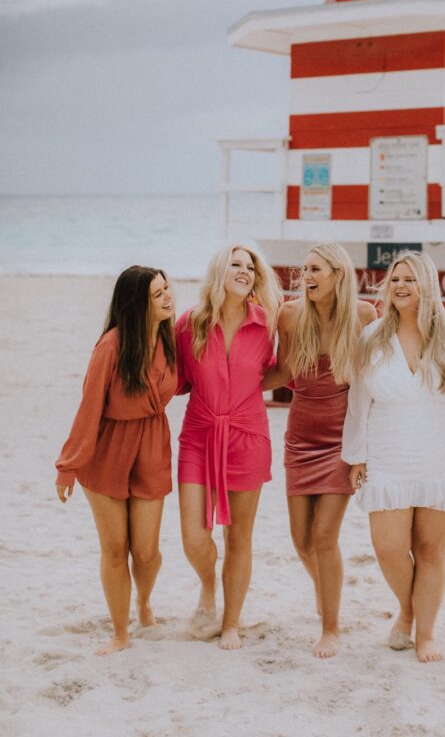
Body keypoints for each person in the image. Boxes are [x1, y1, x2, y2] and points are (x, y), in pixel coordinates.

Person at [342, 251, 445, 664]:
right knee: (388, 548)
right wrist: (357, 453)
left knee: (431, 549)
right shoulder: (373, 336)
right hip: (387, 449)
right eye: (395, 278)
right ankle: (408, 608)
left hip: (441, 449)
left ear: (428, 285)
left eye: (411, 279)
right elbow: (359, 399)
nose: (400, 285)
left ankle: (425, 631)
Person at [55, 265, 177, 655]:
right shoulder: (111, 345)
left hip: (152, 447)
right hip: (107, 451)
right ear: (137, 303)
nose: (169, 297)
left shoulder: (169, 339)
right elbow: (88, 408)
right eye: (158, 294)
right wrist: (69, 466)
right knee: (114, 548)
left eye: (168, 289)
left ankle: (143, 600)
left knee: (146, 551)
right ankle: (120, 633)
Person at [271, 242, 376, 658]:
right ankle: (325, 589)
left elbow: (380, 372)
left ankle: (330, 626)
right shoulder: (291, 315)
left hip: (342, 440)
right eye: (305, 270)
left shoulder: (365, 316)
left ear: (338, 273)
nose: (307, 277)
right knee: (301, 540)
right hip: (300, 436)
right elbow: (281, 371)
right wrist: (230, 382)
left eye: (316, 270)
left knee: (324, 535)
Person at [174, 245, 282, 650]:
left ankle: (232, 622)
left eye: (250, 267)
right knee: (193, 536)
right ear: (219, 271)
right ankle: (207, 584)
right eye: (236, 265)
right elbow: (177, 377)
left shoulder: (268, 325)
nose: (245, 272)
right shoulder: (189, 324)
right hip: (199, 435)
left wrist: (248, 388)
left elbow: (282, 371)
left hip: (248, 436)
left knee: (239, 537)